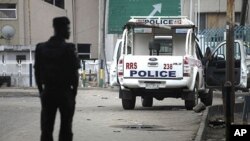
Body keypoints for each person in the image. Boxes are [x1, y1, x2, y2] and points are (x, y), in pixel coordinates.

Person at [34, 16, 80, 141]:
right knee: (66, 129)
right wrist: (73, 94)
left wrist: (41, 91)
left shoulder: (41, 48)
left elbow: (37, 72)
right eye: (67, 28)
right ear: (60, 29)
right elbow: (74, 74)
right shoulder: (69, 49)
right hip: (65, 93)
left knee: (46, 129)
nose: (69, 31)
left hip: (48, 92)